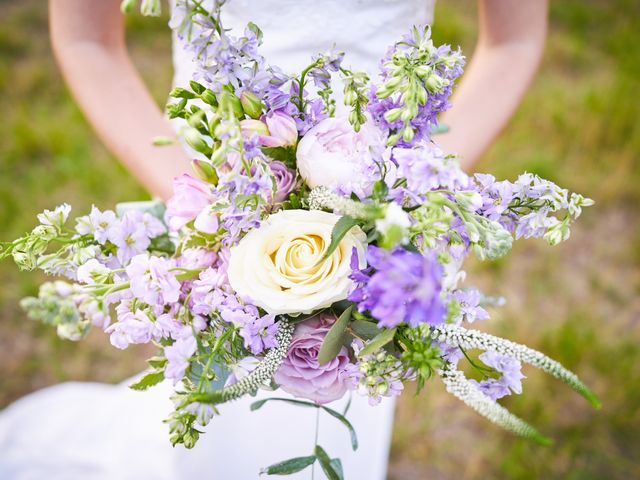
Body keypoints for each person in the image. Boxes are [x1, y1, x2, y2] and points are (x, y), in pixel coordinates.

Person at [0, 1, 548, 479]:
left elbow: (514, 38)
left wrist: (414, 197)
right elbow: (85, 37)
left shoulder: (395, 233)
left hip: (383, 224)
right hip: (221, 211)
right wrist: (203, 212)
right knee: (222, 424)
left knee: (344, 406)